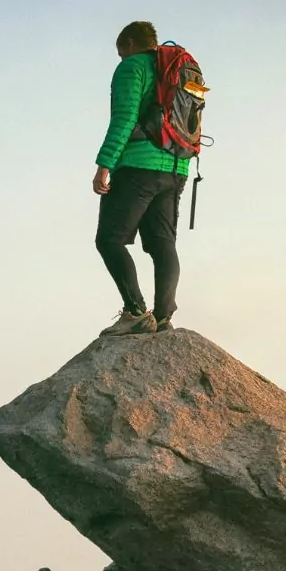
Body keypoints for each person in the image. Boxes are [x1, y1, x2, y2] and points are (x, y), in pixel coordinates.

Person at [93, 20, 191, 336]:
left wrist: (104, 164)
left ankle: (136, 312)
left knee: (109, 239)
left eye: (121, 52)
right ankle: (162, 318)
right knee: (163, 243)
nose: (121, 58)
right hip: (176, 167)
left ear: (131, 44)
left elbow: (124, 118)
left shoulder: (132, 67)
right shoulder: (175, 70)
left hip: (137, 167)